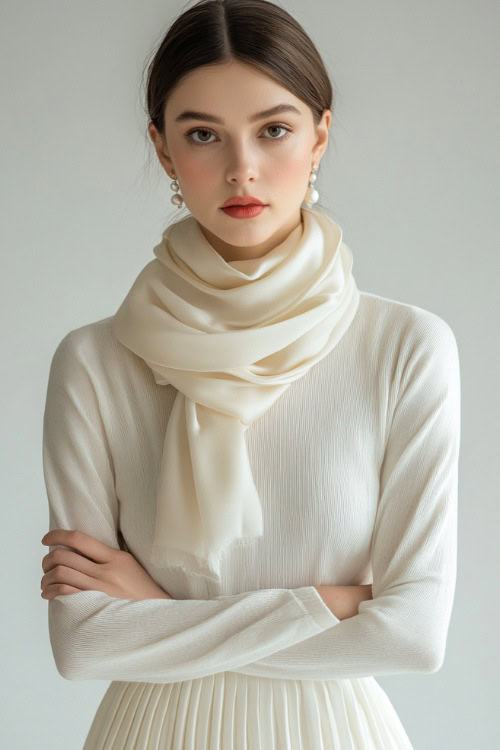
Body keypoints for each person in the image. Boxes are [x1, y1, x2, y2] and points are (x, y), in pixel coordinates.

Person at [40, 1, 461, 748]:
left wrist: (155, 609)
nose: (243, 167)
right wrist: (329, 604)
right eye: (203, 134)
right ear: (164, 151)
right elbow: (85, 646)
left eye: (274, 129)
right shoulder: (95, 363)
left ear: (320, 135)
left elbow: (412, 637)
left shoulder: (404, 348)